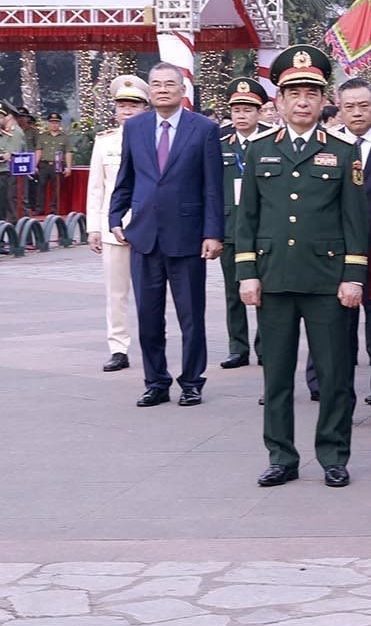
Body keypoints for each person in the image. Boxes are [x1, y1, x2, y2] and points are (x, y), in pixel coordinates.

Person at [235, 46, 370, 488]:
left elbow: (355, 221)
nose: (302, 101)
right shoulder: (258, 150)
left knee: (335, 374)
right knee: (276, 375)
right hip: (273, 278)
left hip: (327, 281)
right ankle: (281, 456)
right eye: (293, 92)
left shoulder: (343, 150)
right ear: (278, 100)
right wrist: (246, 273)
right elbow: (247, 218)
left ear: (322, 98)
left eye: (311, 92)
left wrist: (353, 276)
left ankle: (333, 454)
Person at [109, 63, 225, 408]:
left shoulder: (204, 129)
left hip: (188, 237)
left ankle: (191, 382)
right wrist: (115, 215)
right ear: (150, 91)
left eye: (169, 84)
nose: (162, 89)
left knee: (191, 316)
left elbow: (212, 187)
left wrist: (213, 232)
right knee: (148, 316)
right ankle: (155, 381)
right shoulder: (135, 128)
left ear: (182, 90)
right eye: (156, 84)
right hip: (144, 235)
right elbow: (126, 176)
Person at [309, 78, 371, 420]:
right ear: (338, 107)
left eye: (364, 106)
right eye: (350, 106)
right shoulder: (324, 144)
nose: (358, 113)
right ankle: (338, 401)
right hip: (336, 254)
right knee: (336, 334)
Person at [87, 75, 151, 373]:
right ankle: (118, 348)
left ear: (145, 109)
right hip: (114, 229)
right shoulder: (105, 142)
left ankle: (152, 344)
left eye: (134, 105)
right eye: (122, 106)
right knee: (116, 293)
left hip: (149, 226)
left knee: (150, 292)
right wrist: (93, 228)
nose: (127, 111)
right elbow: (96, 188)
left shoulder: (155, 139)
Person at [218, 78, 273, 370]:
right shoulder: (220, 144)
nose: (241, 115)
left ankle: (265, 346)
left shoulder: (271, 140)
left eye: (247, 110)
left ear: (259, 112)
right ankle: (237, 348)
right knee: (232, 291)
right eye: (236, 109)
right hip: (230, 228)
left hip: (264, 228)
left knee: (265, 291)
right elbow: (212, 191)